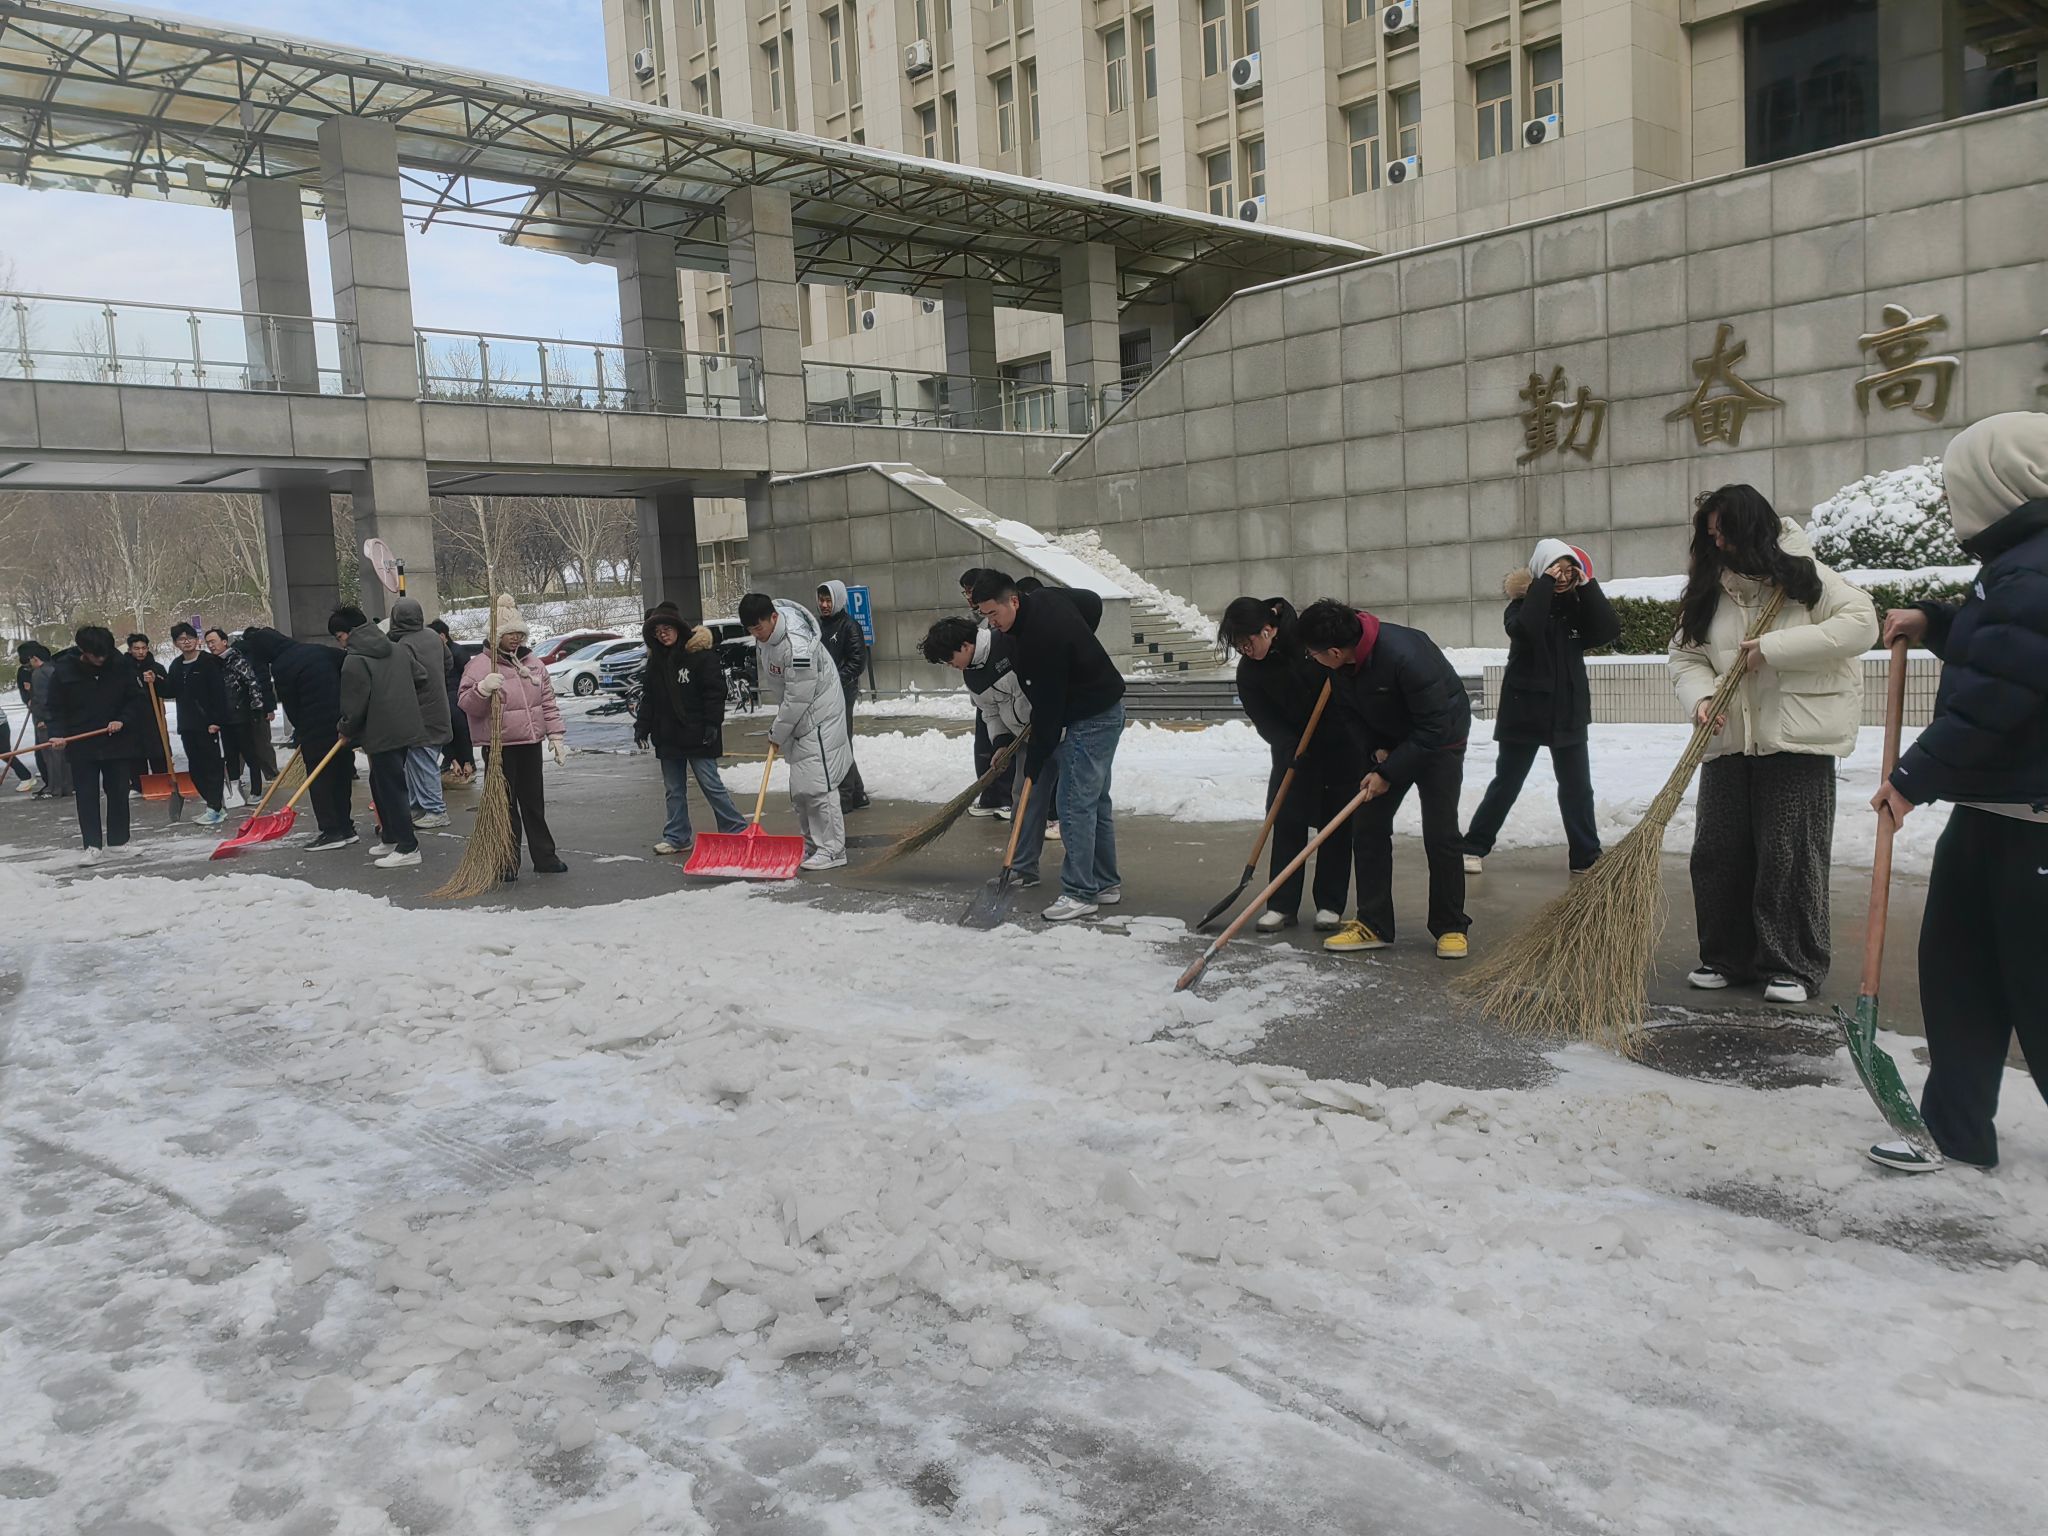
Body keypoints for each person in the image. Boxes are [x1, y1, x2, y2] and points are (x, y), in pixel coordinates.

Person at [1865, 413, 2048, 1174]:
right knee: (1959, 973)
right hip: (1992, 812)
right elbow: (1999, 643)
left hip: (2035, 822)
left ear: (1998, 483)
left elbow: (2001, 692)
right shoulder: (2015, 564)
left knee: (2036, 989)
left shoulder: (2035, 568)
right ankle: (1956, 1130)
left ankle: (1958, 1126)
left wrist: (1914, 777)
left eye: (1955, 484)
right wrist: (1936, 621)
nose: (1947, 499)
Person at [1670, 485, 1876, 1006]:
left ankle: (1792, 964)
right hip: (1729, 738)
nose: (1718, 543)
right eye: (1711, 534)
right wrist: (1700, 698)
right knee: (1717, 852)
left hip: (1795, 739)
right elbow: (1686, 656)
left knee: (1789, 856)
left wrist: (1773, 648)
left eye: (1726, 532)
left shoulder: (1806, 578)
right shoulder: (1708, 588)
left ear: (1753, 529)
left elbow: (1861, 624)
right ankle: (1726, 957)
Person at [1298, 599, 1473, 959]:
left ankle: (1451, 926)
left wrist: (1389, 772)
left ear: (1334, 651)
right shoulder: (1341, 665)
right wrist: (1376, 751)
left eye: (1313, 654)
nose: (1311, 659)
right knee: (1368, 826)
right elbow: (1350, 715)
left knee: (1441, 833)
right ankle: (1373, 923)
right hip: (1393, 741)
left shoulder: (1406, 656)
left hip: (1441, 741)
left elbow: (1434, 727)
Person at [1460, 540, 1622, 877]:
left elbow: (1608, 630)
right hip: (1525, 710)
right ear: (1541, 570)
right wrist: (1543, 586)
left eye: (1568, 570)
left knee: (1578, 787)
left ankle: (1586, 856)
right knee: (1507, 782)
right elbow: (1526, 631)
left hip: (1568, 710)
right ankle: (1473, 847)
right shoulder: (1520, 607)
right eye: (1555, 569)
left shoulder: (1576, 608)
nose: (1562, 577)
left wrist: (1588, 586)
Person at [972, 571, 1125, 922]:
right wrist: (1081, 647)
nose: (991, 623)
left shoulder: (1042, 638)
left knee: (1073, 804)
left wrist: (1035, 760)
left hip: (1091, 717)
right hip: (1104, 705)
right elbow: (1091, 602)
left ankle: (1080, 892)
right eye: (984, 615)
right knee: (1095, 802)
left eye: (994, 613)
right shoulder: (1043, 599)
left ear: (1013, 601)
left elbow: (1048, 709)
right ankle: (1106, 883)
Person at [1219, 596, 1354, 934]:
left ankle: (1330, 904)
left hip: (1339, 745)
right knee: (1287, 822)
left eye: (1247, 642)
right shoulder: (1249, 672)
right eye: (1238, 646)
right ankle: (1281, 905)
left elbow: (1342, 674)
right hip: (1293, 751)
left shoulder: (1306, 639)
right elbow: (1264, 718)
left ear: (1267, 629)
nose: (1245, 651)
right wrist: (1288, 745)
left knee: (1335, 825)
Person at [921, 614, 1057, 888]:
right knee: (1024, 801)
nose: (951, 666)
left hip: (1059, 731)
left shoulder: (1007, 645)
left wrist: (1044, 719)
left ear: (965, 645)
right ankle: (1023, 869)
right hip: (1026, 739)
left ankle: (1086, 879)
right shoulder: (972, 675)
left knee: (1072, 803)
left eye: (949, 659)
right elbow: (990, 712)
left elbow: (1046, 683)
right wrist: (1001, 743)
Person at [738, 591, 851, 871]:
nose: (756, 635)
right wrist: (784, 727)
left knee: (818, 787)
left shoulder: (798, 646)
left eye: (759, 628)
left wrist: (778, 731)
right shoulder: (767, 638)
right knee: (801, 790)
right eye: (751, 630)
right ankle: (812, 846)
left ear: (773, 618)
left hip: (820, 716)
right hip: (799, 718)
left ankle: (833, 850)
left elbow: (798, 696)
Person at [457, 598, 569, 878]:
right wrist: (482, 689)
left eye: (520, 633)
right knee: (504, 807)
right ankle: (507, 862)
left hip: (529, 744)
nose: (516, 638)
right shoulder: (480, 666)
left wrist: (556, 735)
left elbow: (547, 702)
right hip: (500, 747)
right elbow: (466, 705)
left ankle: (545, 856)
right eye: (510, 634)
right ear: (496, 635)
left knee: (534, 804)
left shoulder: (533, 664)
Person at [635, 601, 745, 855]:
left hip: (698, 734)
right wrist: (642, 727)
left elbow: (714, 693)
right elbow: (649, 699)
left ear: (678, 628)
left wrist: (712, 724)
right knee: (674, 790)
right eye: (657, 632)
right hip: (668, 736)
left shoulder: (700, 656)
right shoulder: (656, 663)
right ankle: (677, 836)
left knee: (711, 784)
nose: (663, 635)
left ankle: (735, 830)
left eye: (666, 629)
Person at [331, 605, 431, 870]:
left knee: (391, 788)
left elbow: (354, 705)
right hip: (404, 726)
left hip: (380, 732)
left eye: (339, 637)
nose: (341, 643)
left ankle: (408, 846)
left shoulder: (355, 660)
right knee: (379, 782)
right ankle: (390, 836)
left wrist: (345, 728)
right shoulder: (397, 649)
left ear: (349, 632)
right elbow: (421, 676)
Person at [240, 626, 356, 849]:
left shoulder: (282, 666)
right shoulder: (319, 649)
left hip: (315, 727)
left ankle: (331, 831)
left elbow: (292, 706)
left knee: (320, 779)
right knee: (341, 775)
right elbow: (347, 664)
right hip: (341, 724)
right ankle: (346, 827)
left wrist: (301, 732)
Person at [44, 625, 151, 863]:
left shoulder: (120, 665)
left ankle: (118, 842)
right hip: (82, 742)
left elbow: (136, 699)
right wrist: (57, 734)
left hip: (117, 740)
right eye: (96, 655)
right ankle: (92, 845)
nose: (101, 659)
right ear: (83, 651)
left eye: (105, 654)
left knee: (119, 792)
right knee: (86, 795)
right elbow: (54, 708)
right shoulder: (64, 671)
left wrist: (122, 719)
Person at [387, 598, 453, 830]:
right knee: (417, 762)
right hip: (439, 709)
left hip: (420, 713)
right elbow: (448, 663)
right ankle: (418, 806)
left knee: (422, 762)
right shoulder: (433, 636)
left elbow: (408, 678)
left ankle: (435, 810)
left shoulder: (403, 645)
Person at [163, 621, 233, 825]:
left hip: (208, 724)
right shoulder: (176, 665)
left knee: (211, 766)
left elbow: (219, 694)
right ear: (175, 643)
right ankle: (213, 805)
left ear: (197, 639)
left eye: (190, 638)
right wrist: (155, 681)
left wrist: (216, 720)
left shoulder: (208, 663)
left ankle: (215, 807)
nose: (186, 642)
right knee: (196, 769)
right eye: (181, 639)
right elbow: (170, 690)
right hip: (187, 724)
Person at [956, 568, 1011, 819]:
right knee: (987, 747)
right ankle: (991, 795)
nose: (969, 596)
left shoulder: (1000, 619)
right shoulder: (973, 619)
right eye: (966, 592)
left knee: (1008, 748)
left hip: (1007, 697)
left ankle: (1008, 799)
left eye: (971, 590)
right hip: (986, 698)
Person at [817, 580, 872, 813]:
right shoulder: (819, 626)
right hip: (824, 693)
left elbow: (858, 661)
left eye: (828, 600)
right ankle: (857, 793)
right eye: (821, 600)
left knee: (841, 742)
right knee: (837, 742)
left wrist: (835, 679)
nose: (824, 605)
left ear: (838, 600)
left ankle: (846, 796)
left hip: (842, 692)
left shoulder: (849, 626)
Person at [207, 627, 278, 799]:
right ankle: (235, 792)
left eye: (213, 641)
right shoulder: (211, 664)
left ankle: (256, 790)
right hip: (224, 717)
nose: (211, 645)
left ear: (224, 642)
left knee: (250, 753)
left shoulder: (238, 660)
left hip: (242, 715)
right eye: (208, 643)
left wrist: (258, 709)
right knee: (230, 755)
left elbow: (254, 684)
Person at [16, 642, 68, 799]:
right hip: (57, 718)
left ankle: (56, 788)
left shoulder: (39, 674)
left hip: (46, 720)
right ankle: (65, 786)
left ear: (34, 658)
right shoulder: (53, 669)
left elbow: (42, 699)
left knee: (51, 756)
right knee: (59, 755)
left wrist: (41, 718)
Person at [428, 619, 476, 782]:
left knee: (459, 728)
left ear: (442, 636)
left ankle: (465, 761)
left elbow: (467, 674)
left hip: (455, 696)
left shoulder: (458, 652)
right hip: (443, 695)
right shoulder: (436, 652)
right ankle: (453, 759)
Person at [125, 631, 169, 796]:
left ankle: (162, 781)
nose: (141, 652)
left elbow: (168, 688)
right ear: (130, 650)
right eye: (136, 648)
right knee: (135, 753)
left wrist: (156, 679)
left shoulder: (156, 667)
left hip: (153, 716)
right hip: (132, 717)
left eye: (143, 648)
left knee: (158, 750)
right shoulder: (123, 669)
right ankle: (137, 785)